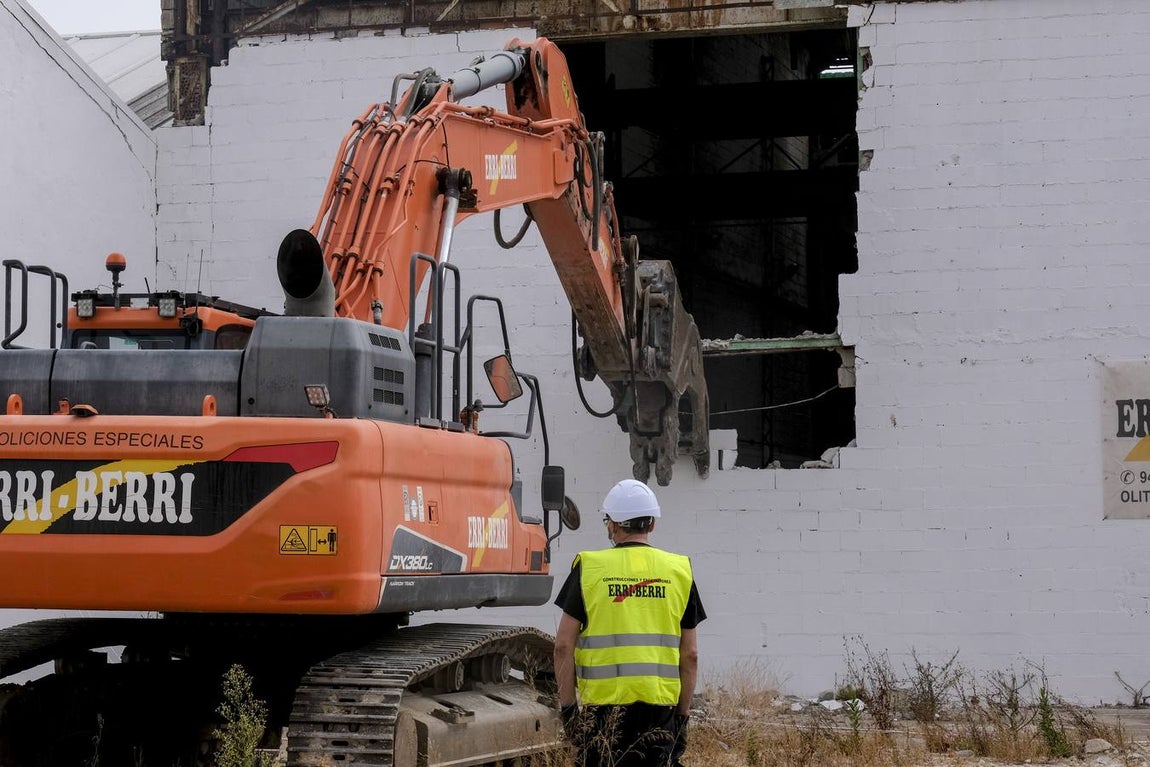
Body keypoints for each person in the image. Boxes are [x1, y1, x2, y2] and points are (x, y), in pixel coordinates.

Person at [553, 478, 707, 767]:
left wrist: (569, 710)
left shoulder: (588, 568)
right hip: (659, 710)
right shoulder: (679, 571)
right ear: (651, 525)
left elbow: (563, 646)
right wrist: (682, 719)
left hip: (602, 714)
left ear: (612, 524)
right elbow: (691, 655)